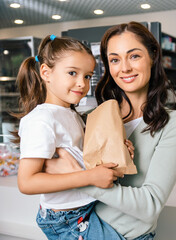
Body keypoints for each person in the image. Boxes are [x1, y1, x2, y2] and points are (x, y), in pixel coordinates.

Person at [45, 22, 176, 239]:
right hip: (77, 230)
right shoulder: (89, 118)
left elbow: (150, 205)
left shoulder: (171, 123)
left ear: (152, 57)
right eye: (114, 59)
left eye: (134, 56)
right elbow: (47, 168)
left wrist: (81, 178)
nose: (124, 68)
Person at [14, 34, 130, 240]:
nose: (82, 84)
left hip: (85, 207)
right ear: (46, 72)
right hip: (67, 218)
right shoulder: (41, 119)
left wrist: (119, 151)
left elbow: (82, 158)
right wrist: (90, 177)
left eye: (87, 76)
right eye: (72, 73)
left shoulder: (71, 113)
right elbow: (27, 182)